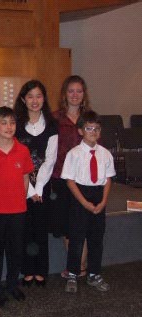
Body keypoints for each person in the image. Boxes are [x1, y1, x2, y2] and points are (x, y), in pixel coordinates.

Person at [0, 106, 34, 307]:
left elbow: (25, 177)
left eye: (12, 122)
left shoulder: (23, 150)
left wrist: (20, 198)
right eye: (3, 122)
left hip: (18, 210)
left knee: (15, 251)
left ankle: (12, 285)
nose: (9, 127)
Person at [61, 111, 115, 293]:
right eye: (89, 128)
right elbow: (70, 181)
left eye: (97, 128)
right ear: (80, 131)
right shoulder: (74, 154)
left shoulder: (106, 154)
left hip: (99, 196)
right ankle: (73, 274)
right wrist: (84, 202)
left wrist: (103, 201)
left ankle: (94, 274)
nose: (93, 131)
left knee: (96, 239)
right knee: (76, 239)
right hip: (79, 197)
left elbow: (108, 179)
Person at [14, 80, 58, 287]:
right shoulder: (15, 124)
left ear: (44, 98)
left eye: (38, 96)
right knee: (24, 228)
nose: (34, 100)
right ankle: (27, 270)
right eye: (30, 96)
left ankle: (41, 270)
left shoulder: (51, 124)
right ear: (23, 99)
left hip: (43, 185)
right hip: (20, 185)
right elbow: (15, 159)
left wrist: (38, 188)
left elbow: (50, 159)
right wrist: (28, 190)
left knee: (40, 227)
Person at [50, 75, 91, 278]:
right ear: (65, 94)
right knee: (67, 225)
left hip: (85, 179)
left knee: (82, 223)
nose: (75, 95)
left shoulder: (90, 118)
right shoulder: (54, 118)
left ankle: (80, 266)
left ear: (84, 95)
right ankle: (75, 265)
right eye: (71, 91)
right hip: (61, 178)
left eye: (79, 91)